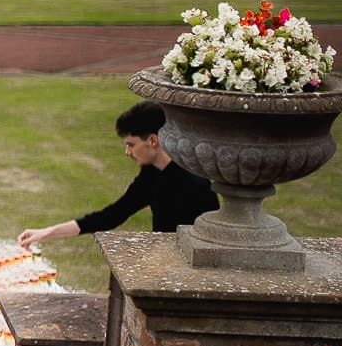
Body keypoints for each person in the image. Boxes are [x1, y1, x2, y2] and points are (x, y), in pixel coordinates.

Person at [17, 100, 219, 248]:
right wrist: (48, 232)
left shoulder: (195, 183)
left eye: (131, 145)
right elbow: (113, 215)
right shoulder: (151, 174)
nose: (127, 152)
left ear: (152, 140)